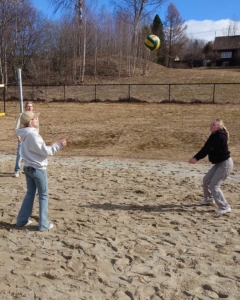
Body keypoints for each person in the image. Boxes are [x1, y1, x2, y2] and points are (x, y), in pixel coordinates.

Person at [15, 111, 67, 231]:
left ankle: (22, 220)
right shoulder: (33, 135)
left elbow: (39, 149)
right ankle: (43, 224)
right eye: (35, 118)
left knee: (30, 193)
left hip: (28, 168)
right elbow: (45, 151)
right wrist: (58, 145)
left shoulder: (25, 134)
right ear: (30, 122)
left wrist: (51, 146)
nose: (37, 119)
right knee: (43, 195)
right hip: (37, 169)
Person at [189, 119, 233, 214]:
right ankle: (209, 200)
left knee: (214, 185)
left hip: (225, 164)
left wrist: (196, 159)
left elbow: (209, 149)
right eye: (211, 124)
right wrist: (195, 157)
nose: (211, 126)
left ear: (219, 127)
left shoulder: (220, 136)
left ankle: (225, 206)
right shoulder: (214, 135)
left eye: (213, 125)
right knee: (206, 180)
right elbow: (205, 147)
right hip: (219, 163)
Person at [14, 101, 39, 177]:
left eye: (31, 106)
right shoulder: (21, 115)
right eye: (28, 106)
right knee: (20, 153)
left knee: (31, 154)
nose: (29, 107)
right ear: (25, 107)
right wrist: (18, 135)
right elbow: (16, 127)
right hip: (23, 138)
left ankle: (29, 169)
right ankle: (17, 170)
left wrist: (36, 138)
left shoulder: (35, 116)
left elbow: (37, 128)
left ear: (33, 107)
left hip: (32, 138)